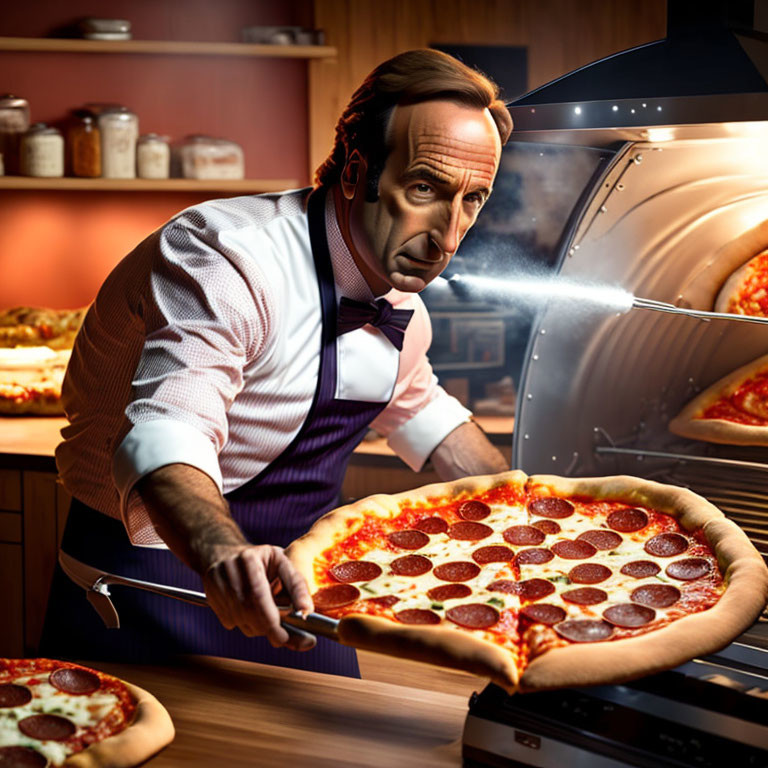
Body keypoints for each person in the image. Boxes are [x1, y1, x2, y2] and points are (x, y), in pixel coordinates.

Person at [42, 49, 513, 677]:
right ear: (355, 170)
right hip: (150, 585)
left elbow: (422, 411)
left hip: (303, 597)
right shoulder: (223, 257)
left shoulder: (403, 305)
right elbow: (166, 430)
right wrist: (221, 553)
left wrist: (526, 522)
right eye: (424, 189)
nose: (449, 238)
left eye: (473, 200)